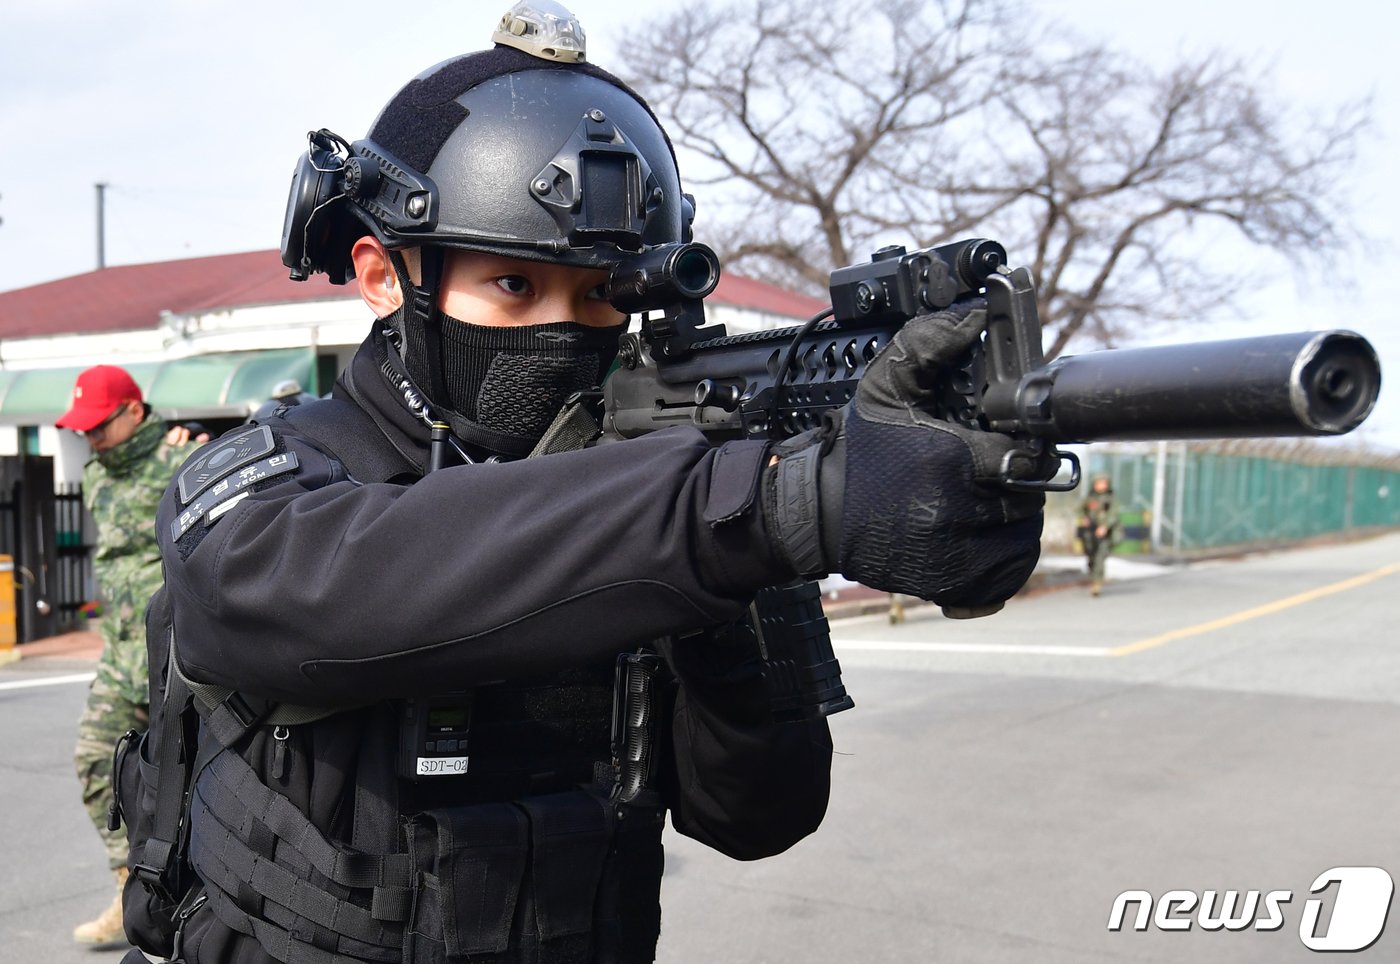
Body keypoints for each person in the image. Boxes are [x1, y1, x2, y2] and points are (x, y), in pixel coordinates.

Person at [141, 5, 1044, 962]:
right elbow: (321, 585)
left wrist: (735, 592)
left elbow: (760, 813)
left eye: (603, 295)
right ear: (380, 274)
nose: (567, 327)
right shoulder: (271, 477)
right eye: (516, 287)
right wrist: (755, 505)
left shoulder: (670, 497)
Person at [54, 364, 196, 946]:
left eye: (100, 426)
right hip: (120, 657)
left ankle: (196, 903)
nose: (90, 438)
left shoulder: (181, 461)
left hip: (175, 659)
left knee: (192, 784)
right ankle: (128, 888)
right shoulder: (96, 479)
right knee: (96, 763)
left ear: (134, 413)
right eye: (82, 430)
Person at [1077, 475, 1120, 595]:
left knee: (1100, 557)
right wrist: (1084, 518)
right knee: (1091, 557)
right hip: (1089, 533)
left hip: (1104, 534)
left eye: (1104, 483)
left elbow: (1113, 514)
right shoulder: (1089, 497)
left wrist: (1105, 526)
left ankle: (1097, 583)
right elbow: (1079, 509)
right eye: (1099, 483)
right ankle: (1093, 576)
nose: (1101, 485)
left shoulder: (1111, 498)